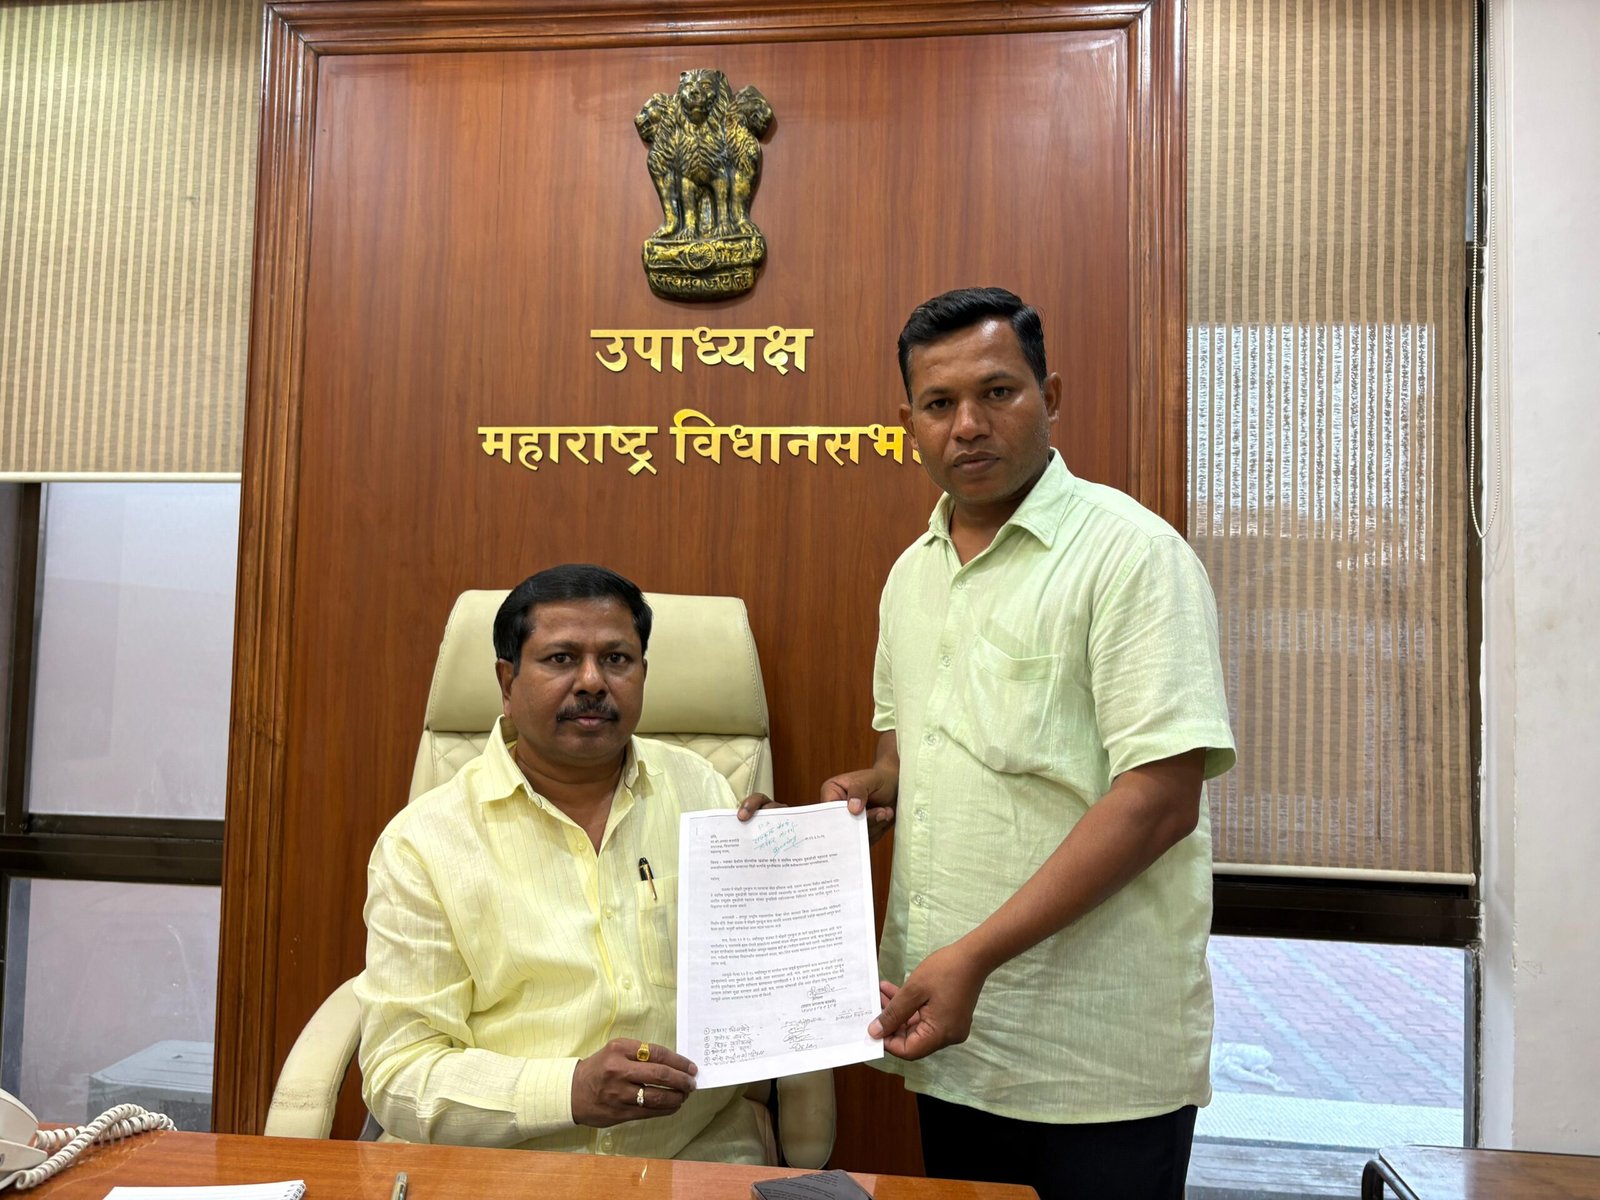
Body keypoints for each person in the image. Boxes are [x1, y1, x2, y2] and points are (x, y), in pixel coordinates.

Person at [825, 288, 1235, 1199]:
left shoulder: (1131, 555)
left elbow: (1160, 802)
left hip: (1094, 1055)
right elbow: (905, 754)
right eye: (939, 404)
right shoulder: (912, 574)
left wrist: (973, 957)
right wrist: (876, 789)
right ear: (908, 423)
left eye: (998, 393)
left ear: (1051, 395)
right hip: (955, 1039)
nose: (968, 425)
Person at [356, 564, 773, 1162]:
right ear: (507, 681)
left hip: (691, 1149)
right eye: (560, 659)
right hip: (502, 1168)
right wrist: (567, 1091)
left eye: (617, 659)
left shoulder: (702, 790)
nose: (593, 682)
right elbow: (399, 1071)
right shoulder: (422, 843)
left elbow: (756, 976)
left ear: (644, 673)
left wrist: (800, 877)